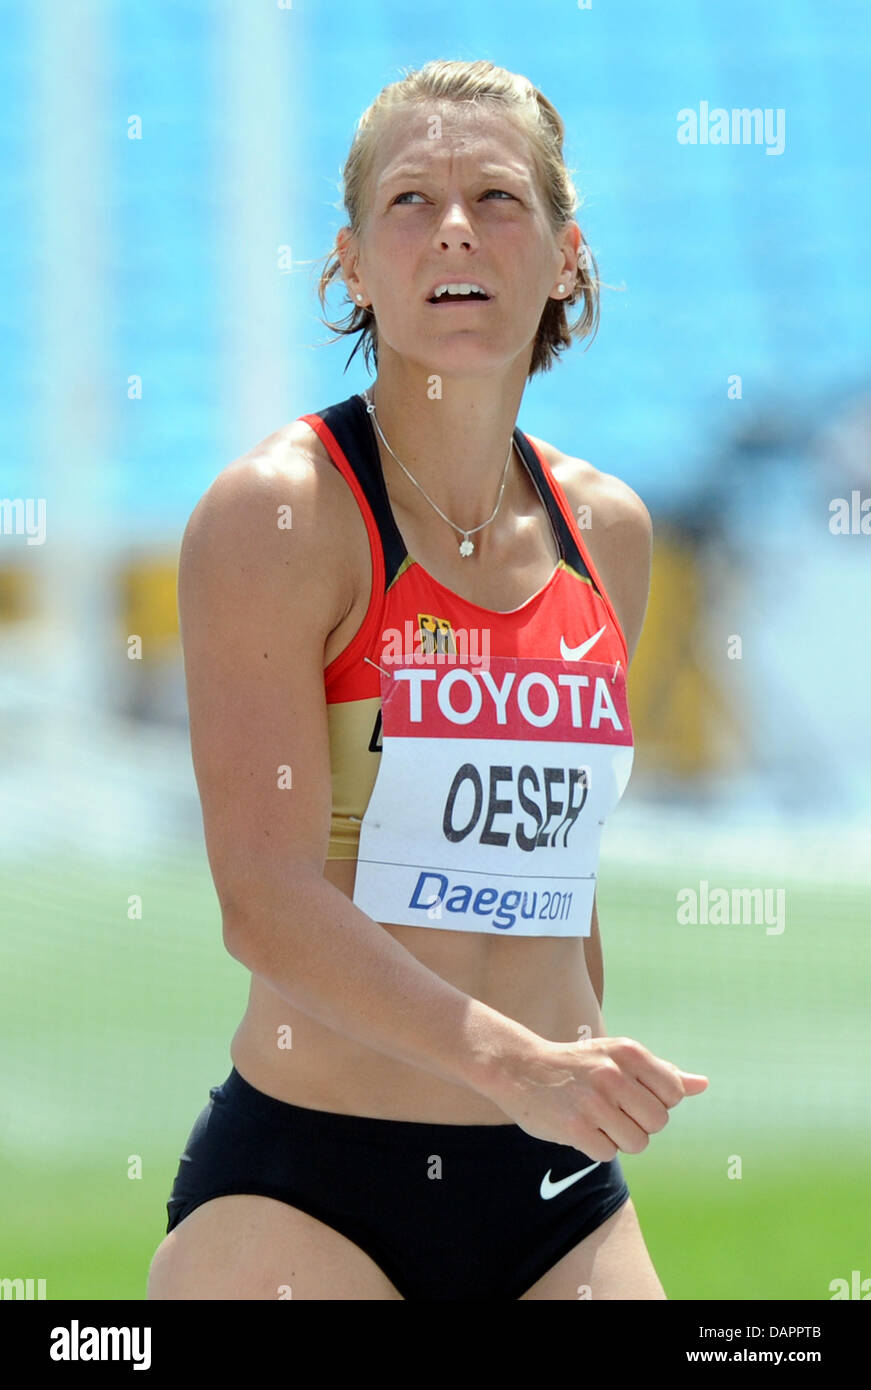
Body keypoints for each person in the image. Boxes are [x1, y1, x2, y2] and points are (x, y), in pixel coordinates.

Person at [146, 58, 708, 1302]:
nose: (456, 225)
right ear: (350, 262)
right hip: (309, 1189)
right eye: (411, 201)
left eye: (499, 197)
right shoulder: (278, 513)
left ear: (566, 253)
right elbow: (263, 897)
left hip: (555, 1185)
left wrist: (569, 1073)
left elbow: (559, 874)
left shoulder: (606, 527)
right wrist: (513, 1061)